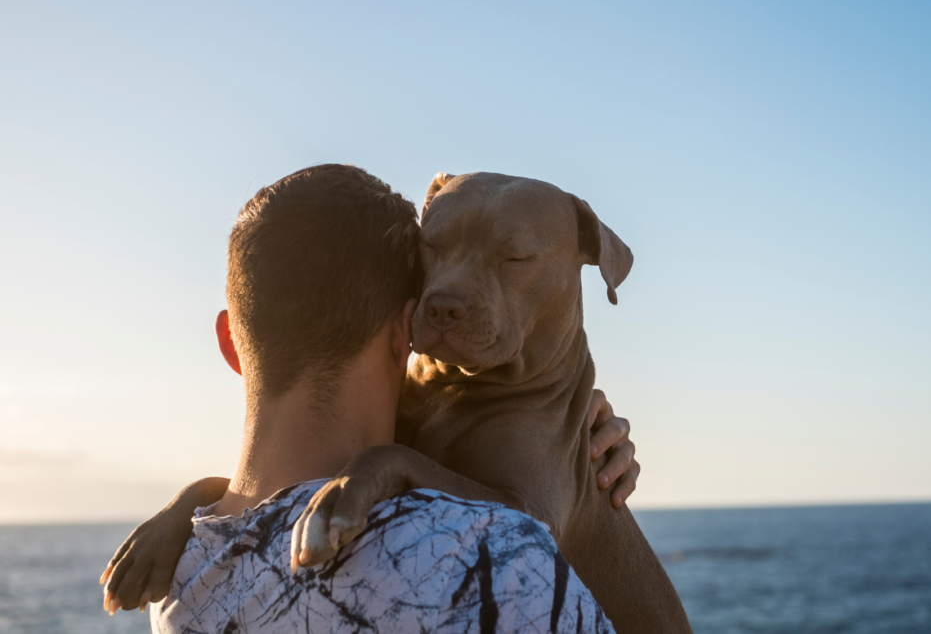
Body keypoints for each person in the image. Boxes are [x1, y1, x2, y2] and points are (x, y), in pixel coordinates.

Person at [100, 164, 638, 633]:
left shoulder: (185, 591)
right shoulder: (492, 560)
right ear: (401, 326)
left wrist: (391, 464)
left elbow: (526, 526)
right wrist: (188, 504)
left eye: (514, 258)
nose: (450, 290)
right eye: (435, 248)